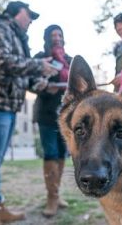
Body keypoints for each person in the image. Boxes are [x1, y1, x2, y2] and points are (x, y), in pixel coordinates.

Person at [0, 1, 58, 225]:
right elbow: (1, 62)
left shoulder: (17, 38)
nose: (31, 21)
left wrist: (44, 80)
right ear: (17, 13)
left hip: (6, 106)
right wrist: (37, 65)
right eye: (29, 16)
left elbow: (22, 76)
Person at [32, 24, 71, 218]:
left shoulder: (69, 60)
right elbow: (30, 83)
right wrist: (46, 87)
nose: (57, 37)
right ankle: (51, 197)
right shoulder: (40, 58)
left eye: (59, 34)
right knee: (51, 154)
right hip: (46, 114)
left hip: (67, 116)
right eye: (53, 35)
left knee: (62, 154)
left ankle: (57, 193)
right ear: (47, 38)